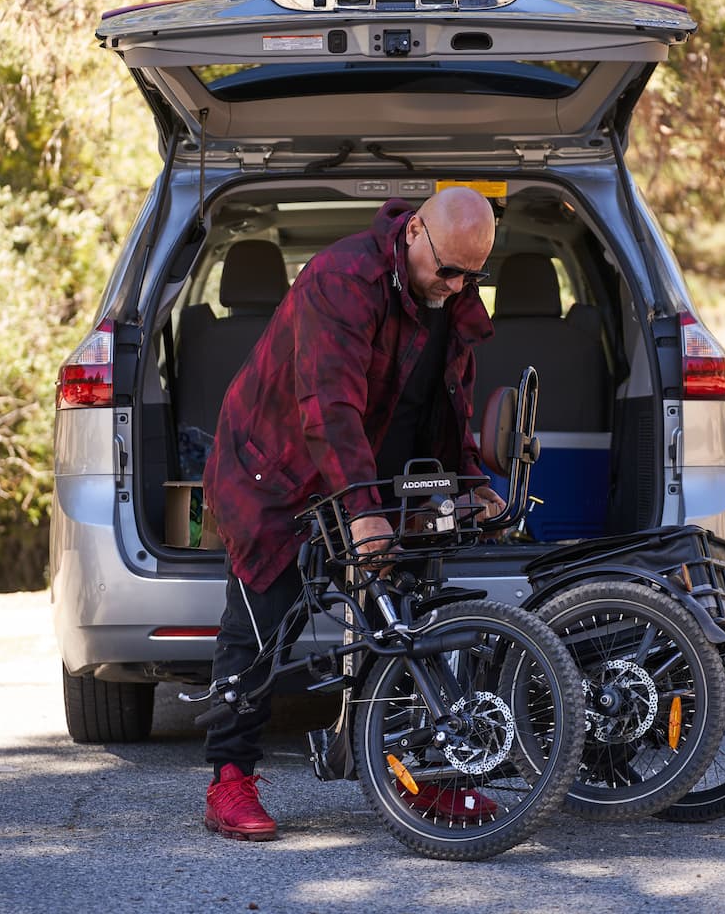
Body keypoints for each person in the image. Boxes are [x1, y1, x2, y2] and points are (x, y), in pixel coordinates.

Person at [199, 186, 507, 841]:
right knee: (259, 626)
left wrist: (471, 478)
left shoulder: (448, 294)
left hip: (369, 473)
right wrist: (364, 516)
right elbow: (327, 407)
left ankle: (422, 776)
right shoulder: (341, 280)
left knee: (406, 623)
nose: (455, 286)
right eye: (447, 269)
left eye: (470, 276)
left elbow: (449, 397)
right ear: (415, 232)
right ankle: (229, 782)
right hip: (276, 470)